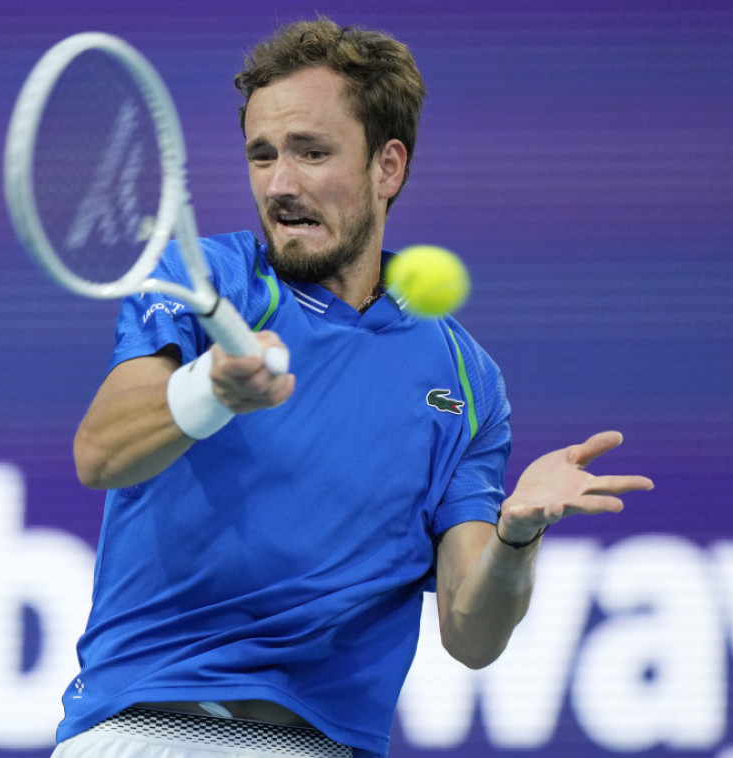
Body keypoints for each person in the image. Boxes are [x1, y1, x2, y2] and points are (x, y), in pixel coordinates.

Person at [52, 16, 653, 758]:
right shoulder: (206, 280)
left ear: (387, 168)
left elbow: (473, 635)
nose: (280, 184)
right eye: (263, 155)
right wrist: (211, 391)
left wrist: (516, 536)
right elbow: (100, 453)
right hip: (157, 730)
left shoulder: (465, 381)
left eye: (312, 152)